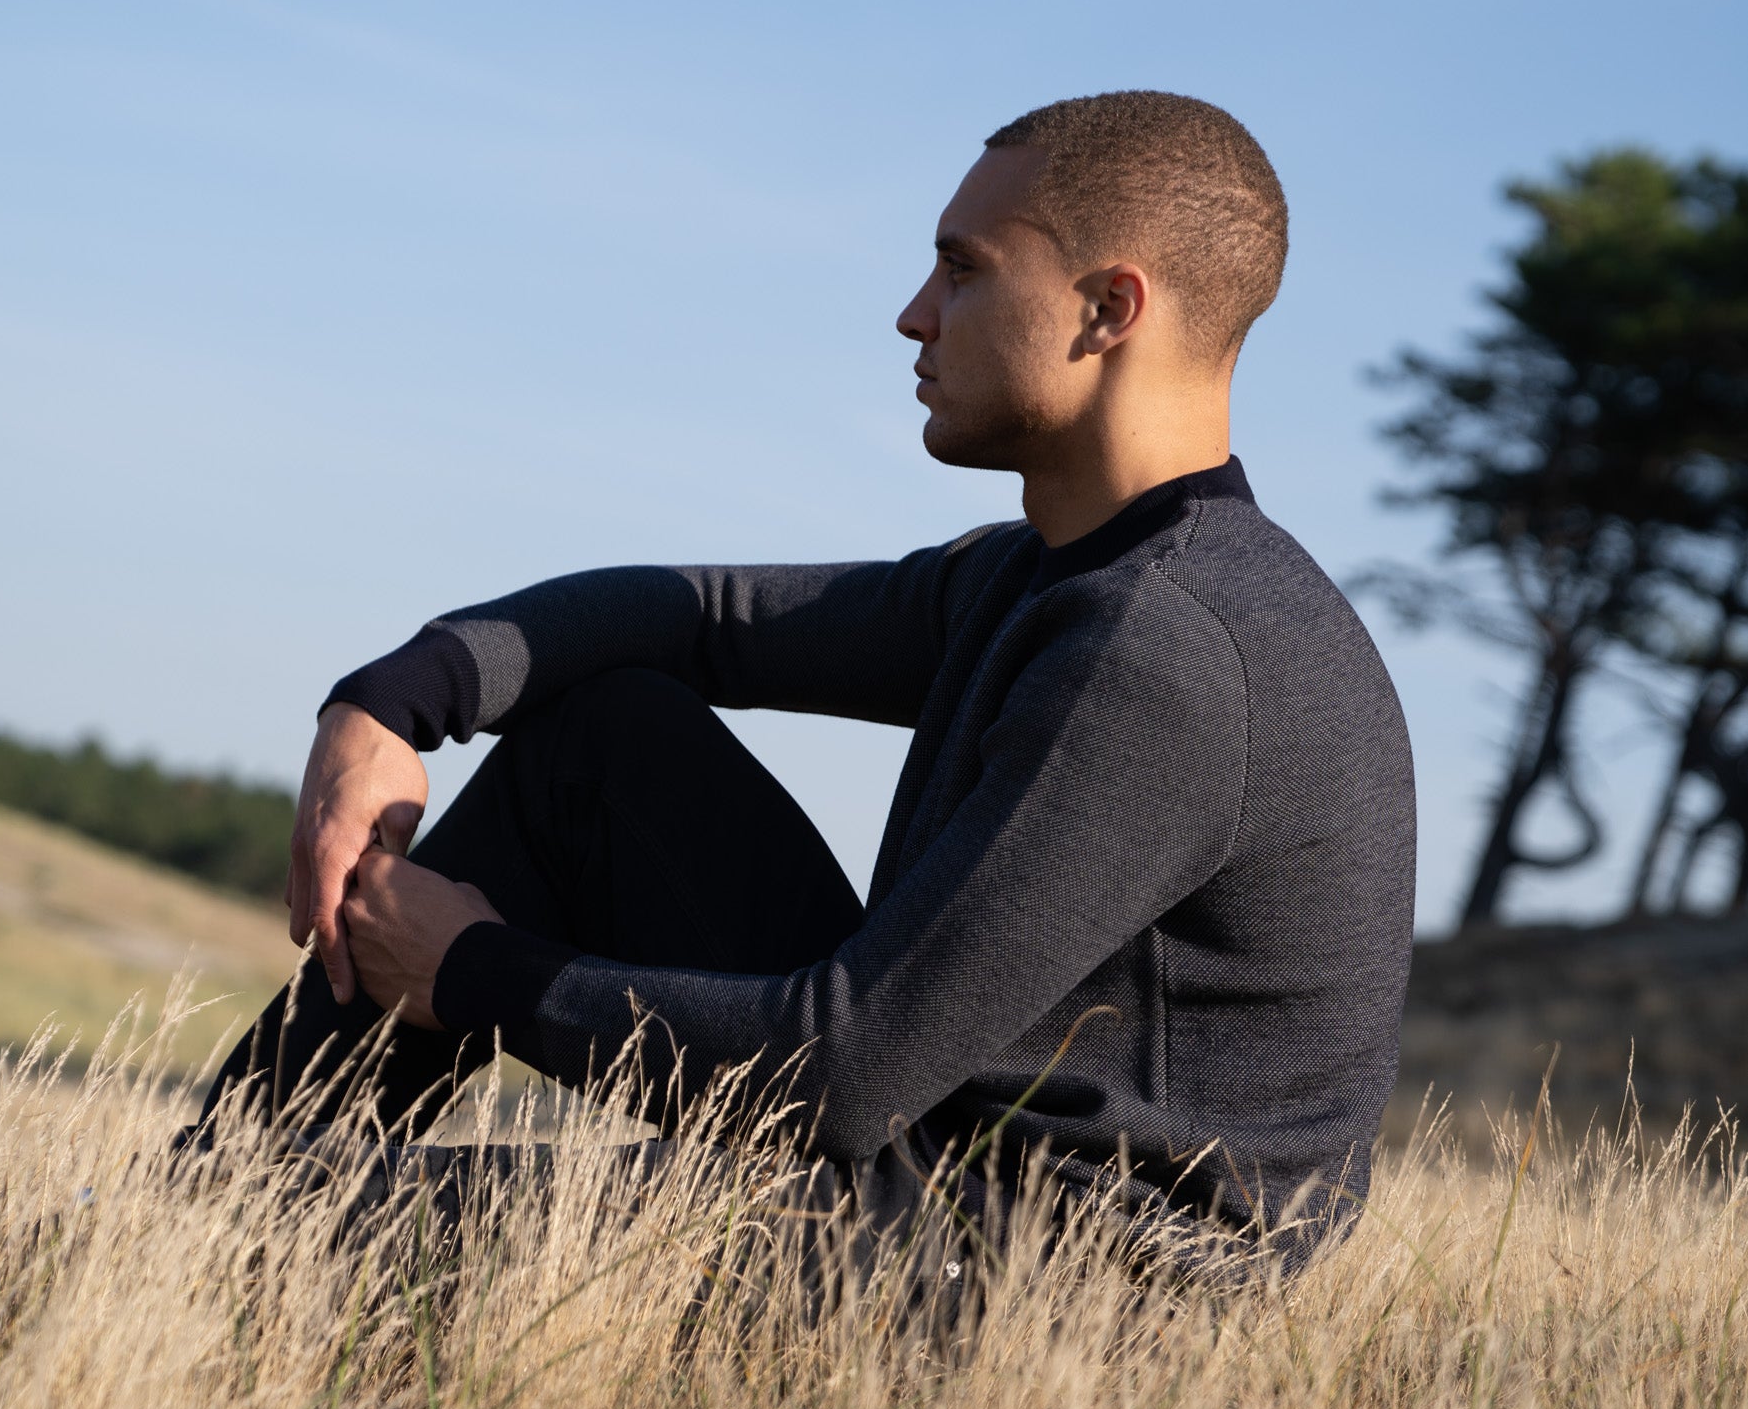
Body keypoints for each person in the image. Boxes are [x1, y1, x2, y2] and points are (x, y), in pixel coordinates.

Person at [205, 91, 1415, 1264]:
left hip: (1045, 1276)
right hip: (927, 1162)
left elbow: (842, 1069)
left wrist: (473, 971)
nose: (913, 313)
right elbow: (703, 620)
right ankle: (197, 1205)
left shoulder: (1164, 648)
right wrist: (395, 697)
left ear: (1107, 309)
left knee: (303, 1235)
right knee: (603, 740)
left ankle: (201, 1228)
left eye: (964, 269)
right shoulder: (1048, 580)